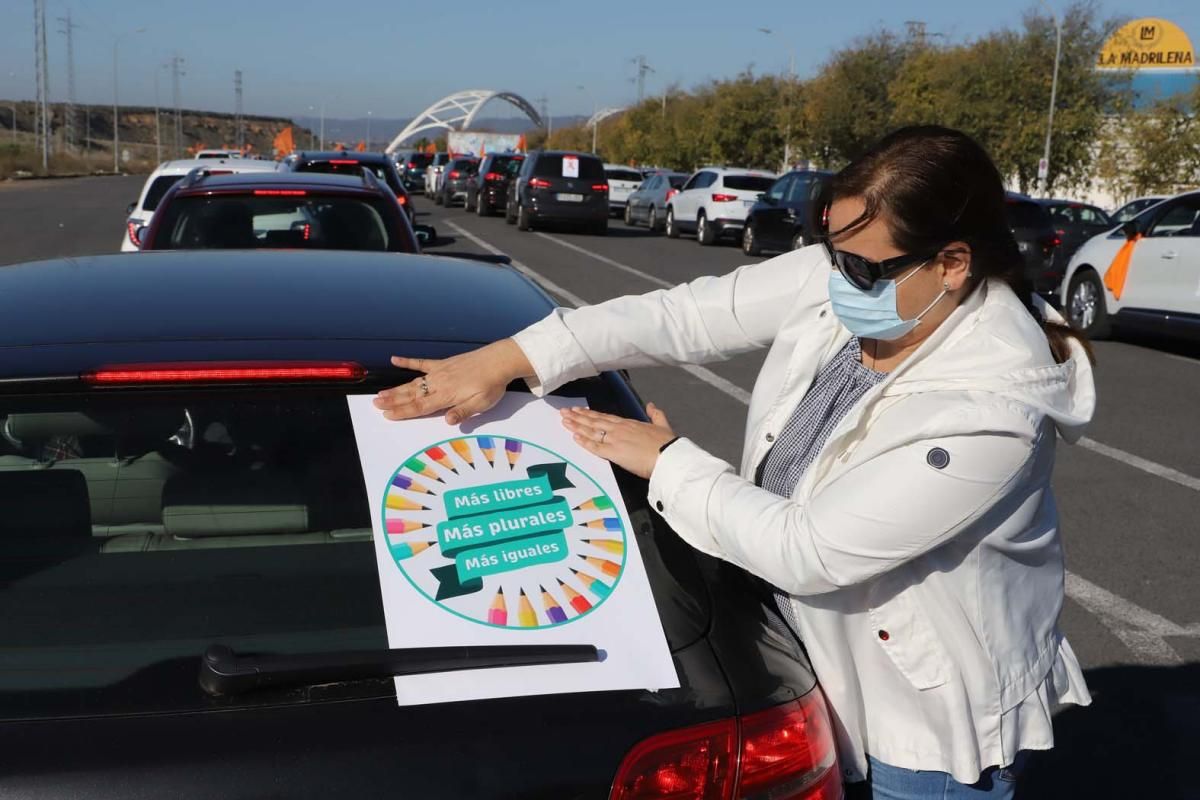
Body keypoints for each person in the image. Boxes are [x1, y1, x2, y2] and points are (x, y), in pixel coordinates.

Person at [373, 126, 1096, 798]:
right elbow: (685, 316)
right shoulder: (869, 278)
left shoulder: (991, 409)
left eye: (858, 264)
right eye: (829, 249)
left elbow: (810, 549)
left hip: (922, 720)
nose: (836, 277)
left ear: (953, 263)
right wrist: (512, 357)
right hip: (813, 651)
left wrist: (669, 463)